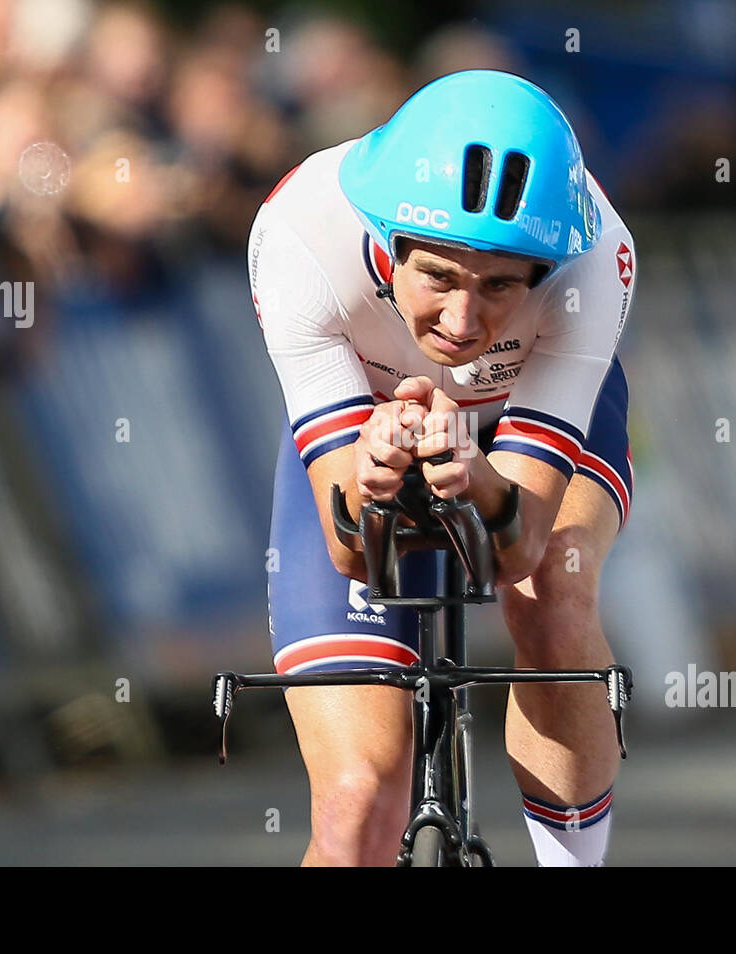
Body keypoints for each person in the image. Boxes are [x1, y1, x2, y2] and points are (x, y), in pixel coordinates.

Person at [247, 69, 635, 866]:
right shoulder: (299, 234)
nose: (462, 321)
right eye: (438, 278)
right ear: (388, 246)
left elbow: (518, 544)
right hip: (367, 413)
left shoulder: (596, 257)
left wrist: (481, 476)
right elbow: (350, 547)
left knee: (555, 584)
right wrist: (375, 474)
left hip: (528, 411)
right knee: (358, 806)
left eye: (499, 287)